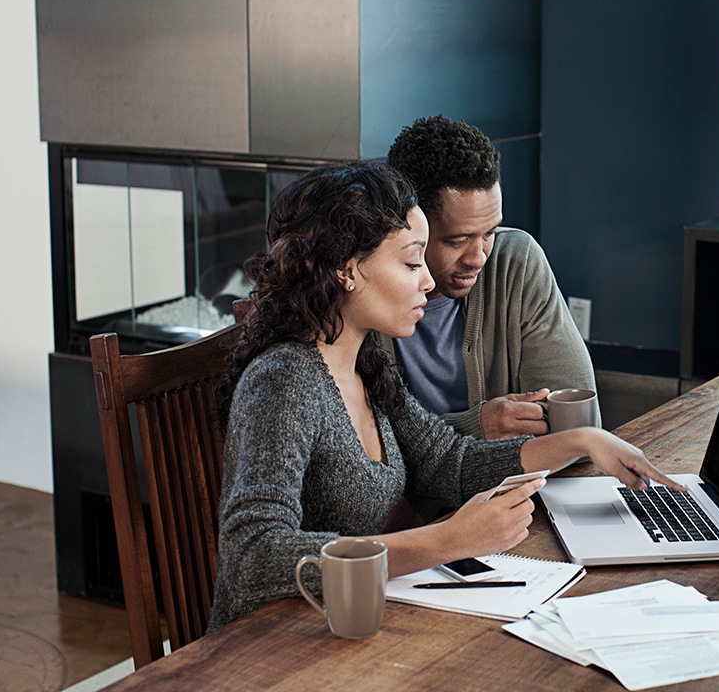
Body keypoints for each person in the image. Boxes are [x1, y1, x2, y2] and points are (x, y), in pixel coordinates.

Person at [207, 161, 679, 631]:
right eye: (412, 262)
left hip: (349, 626)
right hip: (270, 648)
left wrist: (584, 441)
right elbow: (253, 556)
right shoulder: (285, 381)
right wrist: (446, 540)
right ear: (347, 270)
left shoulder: (364, 361)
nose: (428, 282)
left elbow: (449, 462)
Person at [383, 114, 596, 443]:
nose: (478, 257)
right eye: (457, 241)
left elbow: (575, 421)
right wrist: (473, 426)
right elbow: (357, 459)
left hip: (513, 488)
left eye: (489, 232)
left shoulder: (515, 261)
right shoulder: (361, 288)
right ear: (408, 222)